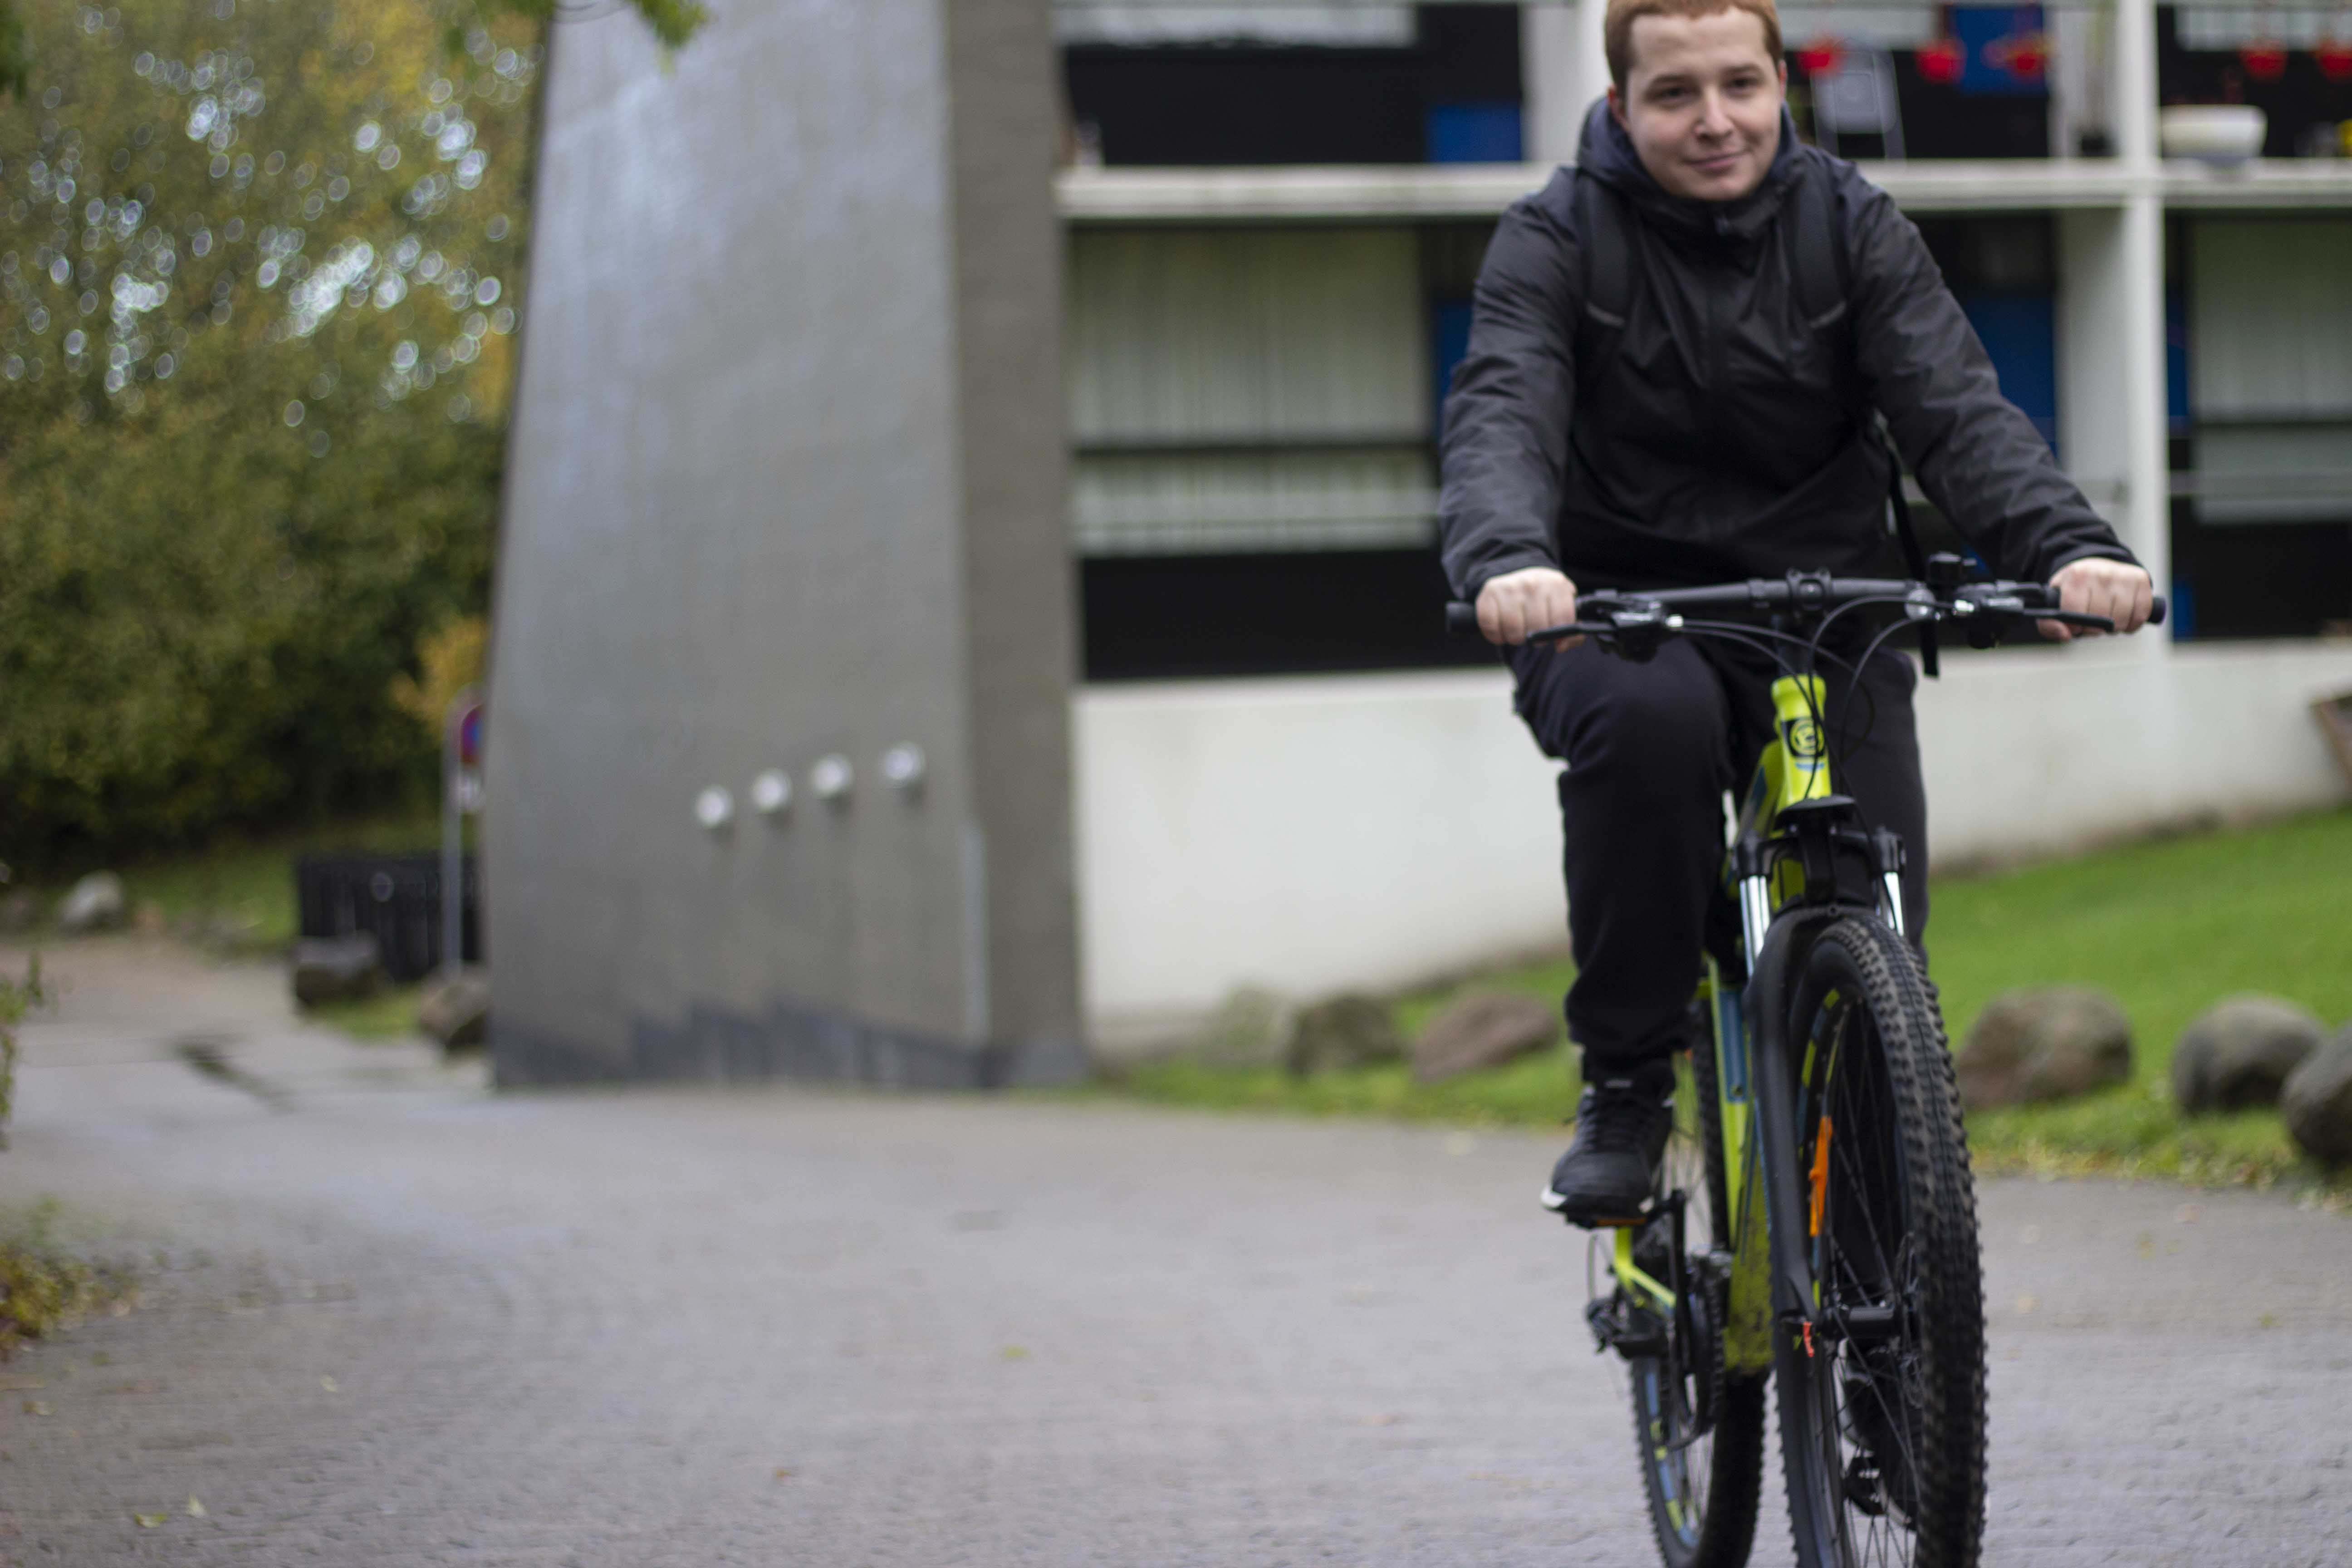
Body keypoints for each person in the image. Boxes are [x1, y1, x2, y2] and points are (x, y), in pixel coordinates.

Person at [1436, 0, 2156, 1226]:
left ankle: (1892, 1333)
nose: (1715, 121)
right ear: (1621, 106)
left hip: (1827, 599)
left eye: (1741, 86)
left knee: (1876, 937)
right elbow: (1504, 409)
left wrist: (2070, 550)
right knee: (1647, 736)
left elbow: (1959, 415)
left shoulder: (1851, 224)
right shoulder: (1555, 239)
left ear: (1783, 85)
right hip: (1619, 608)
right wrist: (1511, 559)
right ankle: (1626, 1080)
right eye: (1675, 95)